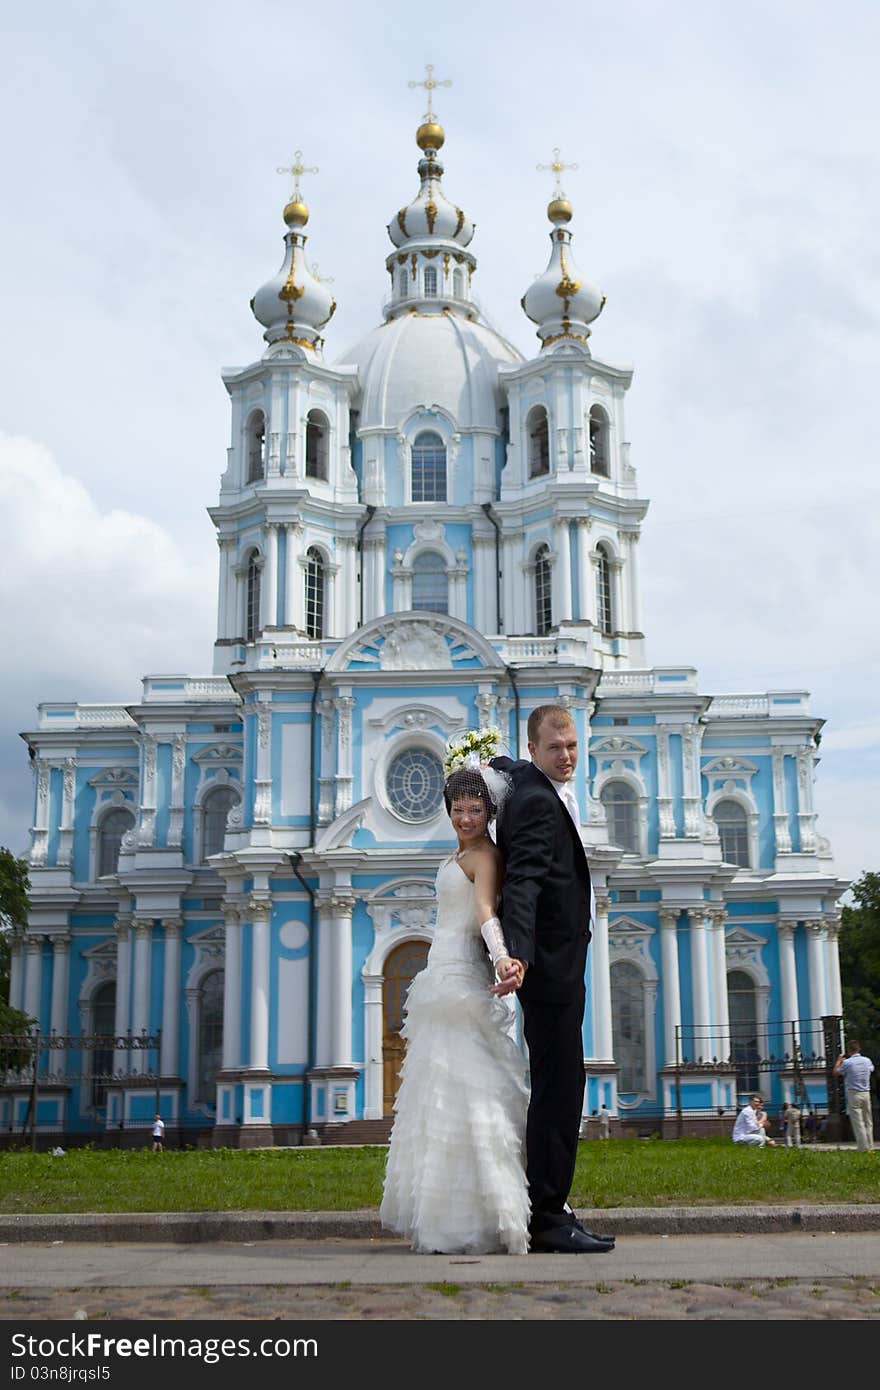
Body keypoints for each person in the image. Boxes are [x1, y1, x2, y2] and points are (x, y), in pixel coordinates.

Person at [380, 753, 531, 1254]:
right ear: (447, 809)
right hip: (438, 974)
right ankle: (444, 1219)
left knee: (469, 1090)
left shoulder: (483, 856)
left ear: (489, 812)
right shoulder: (456, 855)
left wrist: (505, 958)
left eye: (475, 809)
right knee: (437, 1098)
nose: (466, 818)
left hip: (461, 976)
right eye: (458, 808)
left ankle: (479, 1219)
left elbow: (487, 912)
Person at [492, 704, 615, 1255]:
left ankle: (554, 1206)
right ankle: (547, 1214)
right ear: (535, 748)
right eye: (554, 748)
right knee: (560, 1090)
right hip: (552, 970)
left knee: (559, 1084)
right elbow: (523, 883)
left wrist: (500, 761)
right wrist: (515, 955)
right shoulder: (538, 802)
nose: (566, 756)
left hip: (559, 964)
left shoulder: (527, 784)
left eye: (571, 746)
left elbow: (508, 769)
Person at [833, 1040, 875, 1151]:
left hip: (853, 1093)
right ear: (859, 1049)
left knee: (858, 1122)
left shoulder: (847, 1063)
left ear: (849, 1050)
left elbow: (836, 1073)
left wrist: (839, 1061)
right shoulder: (867, 1060)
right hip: (866, 1092)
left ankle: (862, 1147)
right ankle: (870, 1145)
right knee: (868, 1121)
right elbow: (871, 1069)